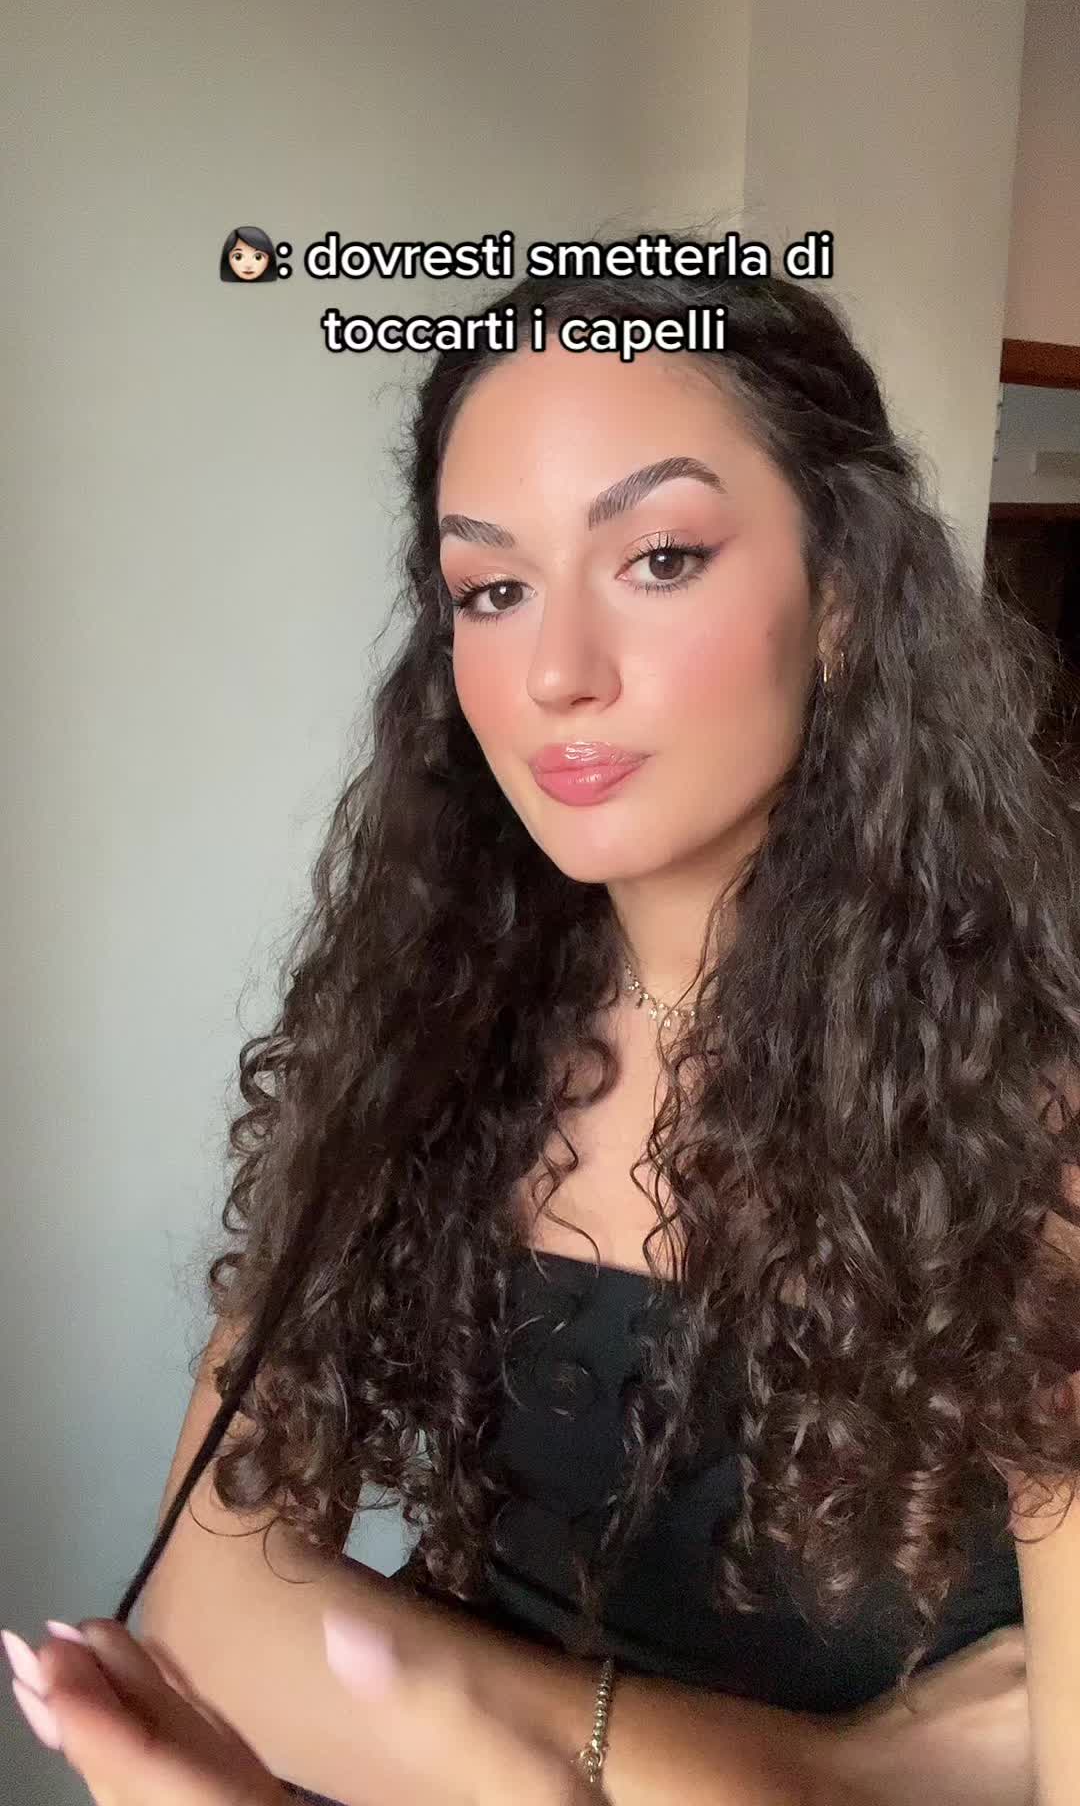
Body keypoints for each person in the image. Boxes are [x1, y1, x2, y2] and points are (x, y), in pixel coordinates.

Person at [15, 240, 1080, 1805]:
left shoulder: (1031, 1120)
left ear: (842, 599)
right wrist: (822, 1779)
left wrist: (428, 1691)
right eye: (493, 590)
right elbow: (210, 1614)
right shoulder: (422, 1038)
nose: (557, 673)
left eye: (661, 558)